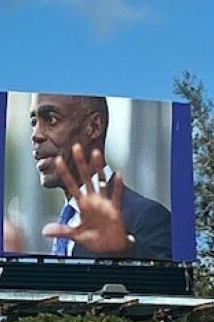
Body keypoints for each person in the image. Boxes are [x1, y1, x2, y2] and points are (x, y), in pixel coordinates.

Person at [30, 93, 172, 260]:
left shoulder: (147, 218)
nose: (36, 135)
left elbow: (170, 282)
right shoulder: (65, 222)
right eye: (33, 123)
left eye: (51, 119)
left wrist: (126, 251)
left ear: (94, 127)